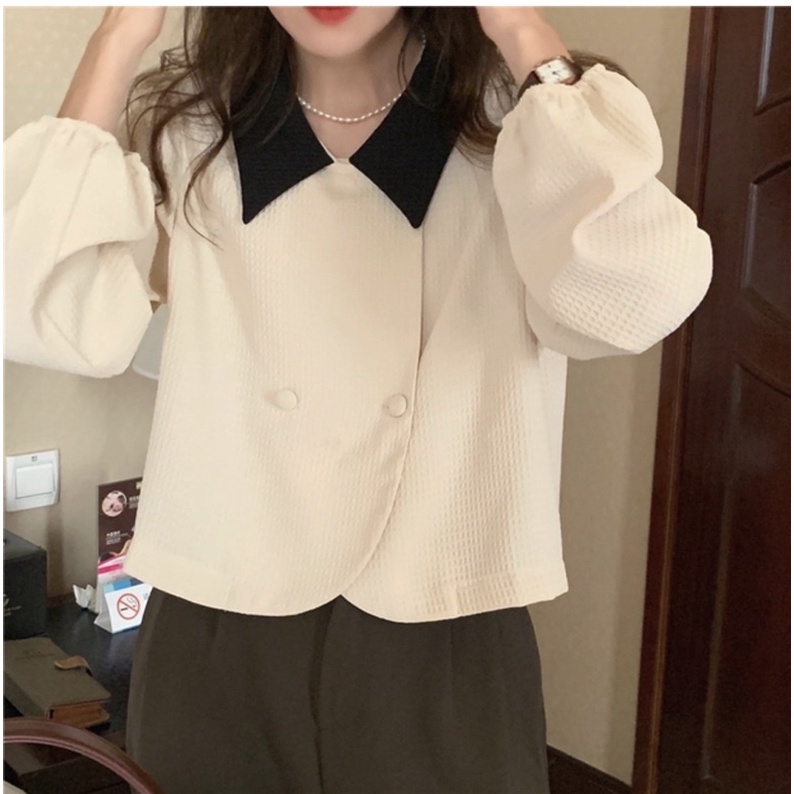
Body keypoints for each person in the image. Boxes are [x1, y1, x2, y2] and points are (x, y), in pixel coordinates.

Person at [4, 6, 712, 793]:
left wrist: (521, 31)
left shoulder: (531, 119)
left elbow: (636, 300)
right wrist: (116, 38)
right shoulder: (193, 125)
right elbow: (41, 313)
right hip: (219, 605)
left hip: (444, 605)